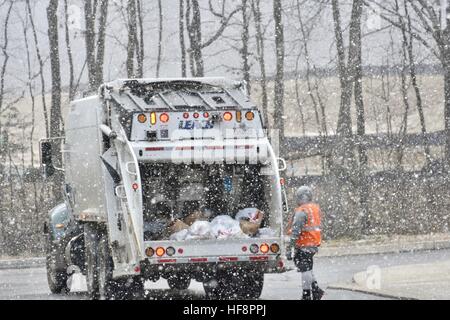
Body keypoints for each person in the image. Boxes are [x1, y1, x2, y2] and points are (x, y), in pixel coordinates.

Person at [286, 186, 325, 300]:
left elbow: (295, 231)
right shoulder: (314, 208)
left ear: (300, 197)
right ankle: (316, 290)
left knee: (305, 270)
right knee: (309, 268)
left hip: (304, 244)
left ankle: (306, 295)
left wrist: (290, 247)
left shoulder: (302, 211)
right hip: (313, 243)